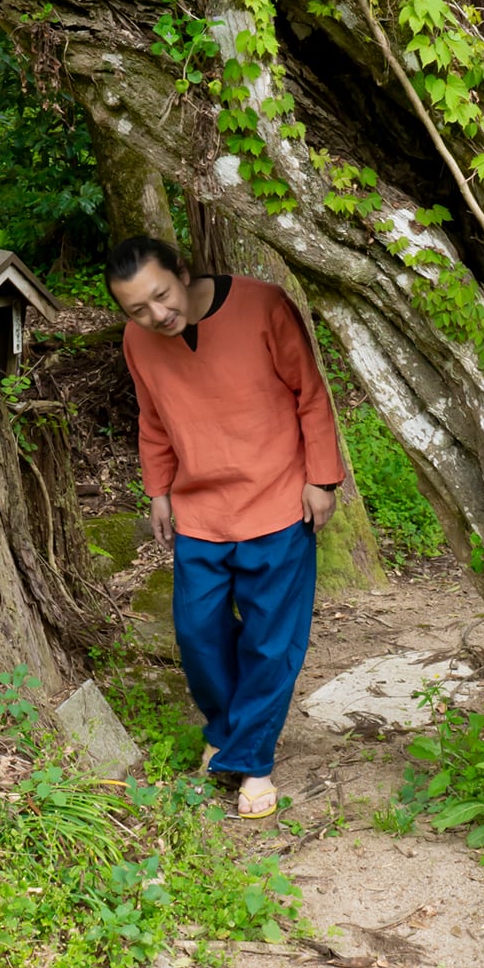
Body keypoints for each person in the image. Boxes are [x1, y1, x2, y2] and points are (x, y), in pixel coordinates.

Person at [107, 235, 344, 819]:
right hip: (200, 512)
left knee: (271, 641)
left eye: (162, 297)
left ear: (182, 273)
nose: (156, 316)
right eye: (137, 309)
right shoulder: (139, 341)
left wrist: (323, 477)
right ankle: (226, 729)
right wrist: (157, 490)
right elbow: (154, 418)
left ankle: (252, 763)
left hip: (278, 502)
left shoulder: (262, 305)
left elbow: (310, 394)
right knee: (197, 634)